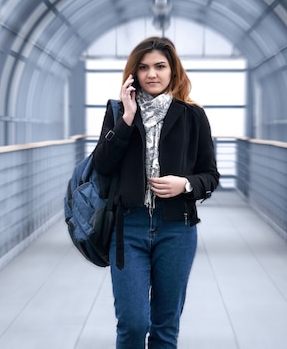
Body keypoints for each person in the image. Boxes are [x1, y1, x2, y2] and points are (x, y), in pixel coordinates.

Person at [92, 36, 220, 349]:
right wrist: (125, 121)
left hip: (177, 228)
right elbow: (103, 165)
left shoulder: (193, 116)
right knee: (133, 325)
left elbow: (211, 175)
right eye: (144, 67)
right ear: (133, 73)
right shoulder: (118, 112)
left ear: (173, 71)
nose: (152, 74)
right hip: (128, 229)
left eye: (160, 66)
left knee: (165, 327)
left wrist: (186, 185)